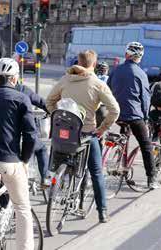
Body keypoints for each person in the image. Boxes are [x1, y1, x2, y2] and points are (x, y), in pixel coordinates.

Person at [46, 50, 120, 223]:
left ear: (77, 62)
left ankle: (61, 189)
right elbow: (115, 110)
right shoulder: (97, 83)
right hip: (86, 134)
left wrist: (58, 117)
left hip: (64, 133)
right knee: (96, 172)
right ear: (94, 64)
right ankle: (102, 212)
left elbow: (49, 101)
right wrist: (102, 128)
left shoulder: (65, 79)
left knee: (60, 163)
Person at [0, 58, 40, 250]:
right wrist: (25, 161)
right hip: (8, 160)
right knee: (22, 207)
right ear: (14, 78)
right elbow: (30, 136)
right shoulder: (21, 99)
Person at [108, 42, 161, 190]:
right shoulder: (141, 74)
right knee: (146, 145)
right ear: (139, 58)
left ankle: (121, 165)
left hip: (117, 114)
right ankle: (152, 179)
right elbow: (145, 99)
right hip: (134, 115)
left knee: (124, 136)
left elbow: (107, 90)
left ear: (126, 55)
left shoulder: (115, 71)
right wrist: (146, 117)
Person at [14, 81, 50, 187]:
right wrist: (51, 110)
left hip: (0, 139)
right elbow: (40, 102)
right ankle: (45, 178)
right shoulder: (22, 90)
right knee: (41, 149)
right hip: (20, 135)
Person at [95, 62, 110, 126]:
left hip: (90, 107)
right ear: (106, 70)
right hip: (103, 108)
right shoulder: (109, 79)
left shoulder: (91, 78)